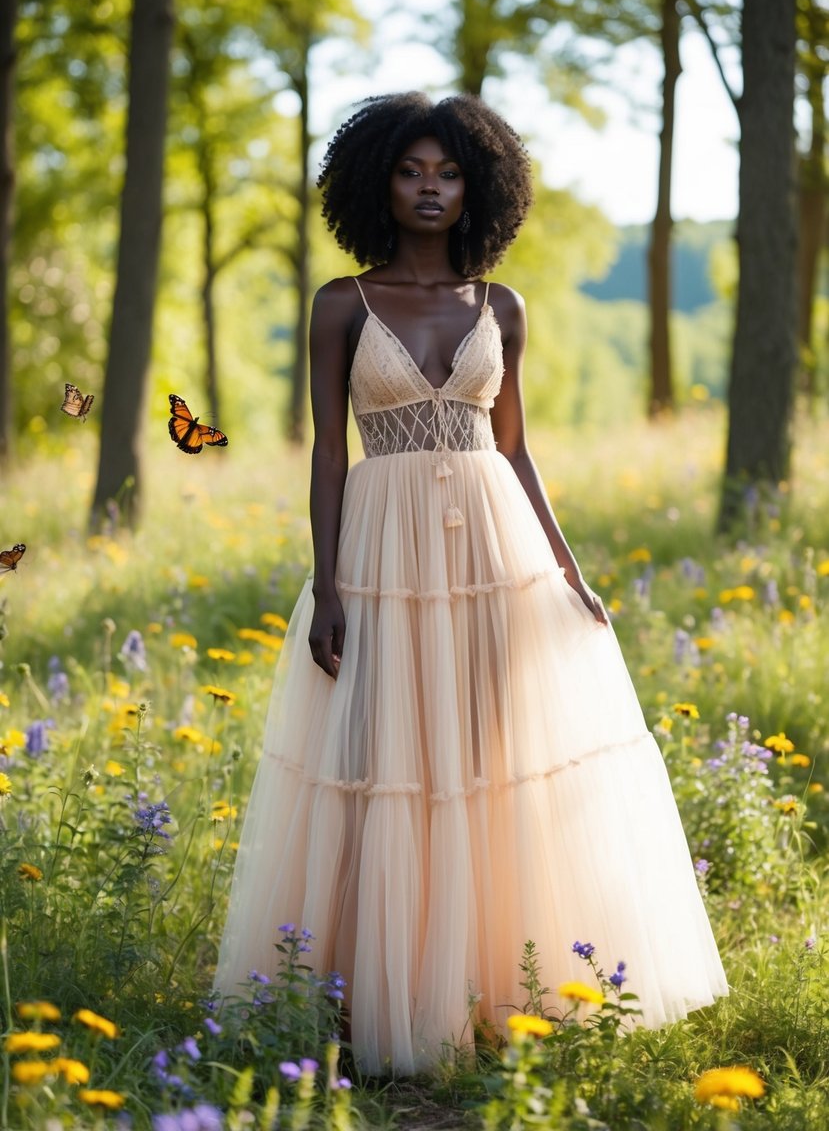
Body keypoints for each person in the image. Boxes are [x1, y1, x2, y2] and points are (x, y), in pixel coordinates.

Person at [214, 92, 728, 1076]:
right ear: (378, 183)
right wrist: (328, 588)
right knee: (387, 762)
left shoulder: (501, 305)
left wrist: (568, 573)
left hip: (494, 554)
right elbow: (329, 455)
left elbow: (517, 449)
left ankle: (498, 987)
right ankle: (373, 995)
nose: (429, 189)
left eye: (447, 173)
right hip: (381, 554)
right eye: (410, 171)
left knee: (490, 763)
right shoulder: (340, 303)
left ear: (476, 186)